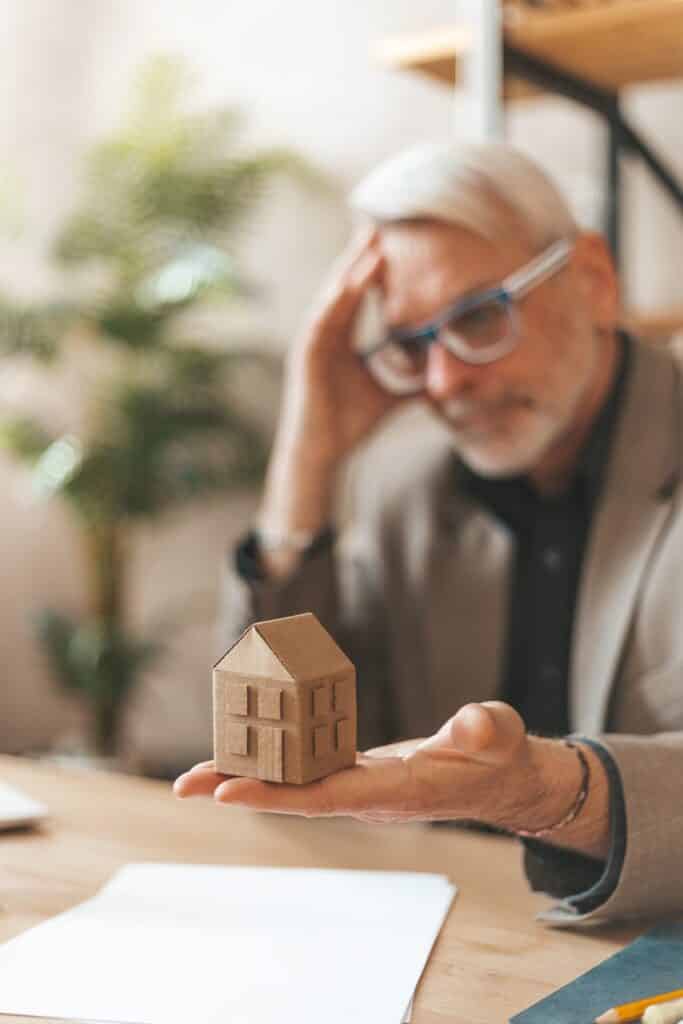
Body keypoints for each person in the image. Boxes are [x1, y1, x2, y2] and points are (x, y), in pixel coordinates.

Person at [174, 143, 683, 926]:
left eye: (478, 315)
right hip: (456, 931)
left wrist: (545, 796)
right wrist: (308, 456)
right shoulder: (401, 486)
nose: (443, 382)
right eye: (412, 344)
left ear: (593, 280)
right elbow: (290, 765)